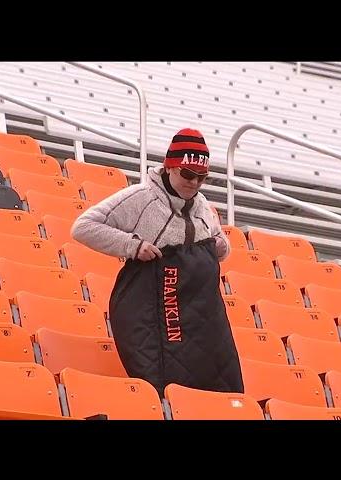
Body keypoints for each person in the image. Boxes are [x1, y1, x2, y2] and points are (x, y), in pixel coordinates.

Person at [71, 128, 244, 395]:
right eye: (188, 174)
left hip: (199, 315)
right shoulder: (140, 197)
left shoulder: (202, 205)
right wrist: (132, 246)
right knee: (163, 387)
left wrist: (219, 246)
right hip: (150, 310)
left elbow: (221, 247)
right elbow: (83, 227)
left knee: (218, 384)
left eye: (202, 177)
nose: (194, 183)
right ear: (170, 167)